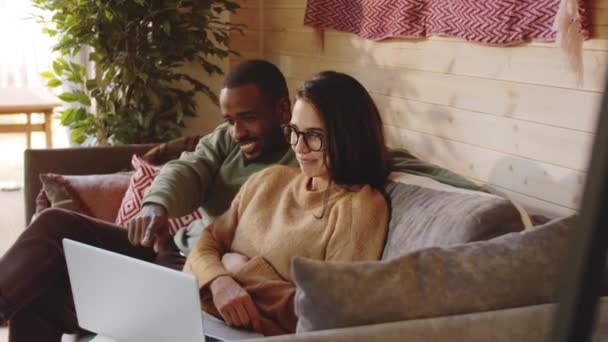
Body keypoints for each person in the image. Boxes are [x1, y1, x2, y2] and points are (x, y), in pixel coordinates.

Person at [0, 59, 299, 342]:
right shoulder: (227, 139)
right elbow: (187, 169)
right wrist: (156, 205)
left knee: (37, 296)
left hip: (198, 274)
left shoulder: (302, 163)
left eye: (248, 118)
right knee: (55, 222)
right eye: (230, 120)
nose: (238, 132)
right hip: (170, 249)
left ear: (283, 110)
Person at [183, 71, 391, 336]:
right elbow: (206, 244)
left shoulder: (358, 208)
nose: (300, 147)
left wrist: (239, 269)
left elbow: (327, 315)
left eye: (314, 135)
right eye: (294, 132)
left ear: (348, 136)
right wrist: (220, 281)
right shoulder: (269, 179)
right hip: (203, 318)